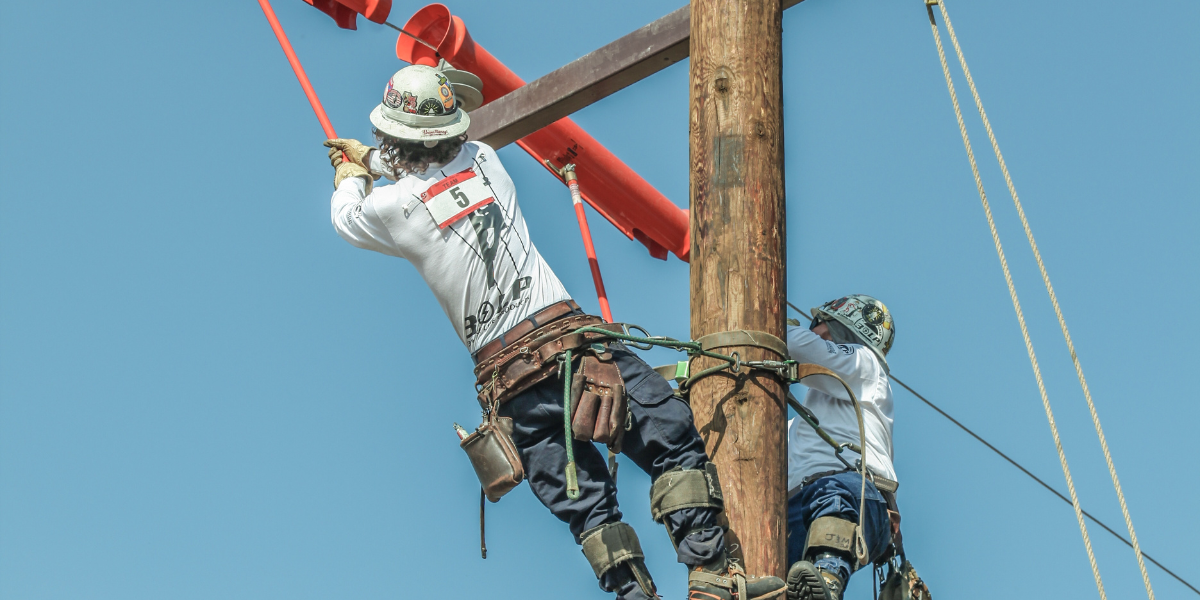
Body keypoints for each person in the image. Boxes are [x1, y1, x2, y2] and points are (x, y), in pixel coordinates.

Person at [323, 64, 785, 600]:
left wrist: (353, 170)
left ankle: (635, 595)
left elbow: (347, 215)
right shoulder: (484, 161)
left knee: (587, 506)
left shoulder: (389, 209)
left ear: (394, 134)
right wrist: (373, 159)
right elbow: (429, 163)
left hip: (511, 387)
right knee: (670, 435)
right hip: (570, 350)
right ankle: (712, 577)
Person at [783, 295, 900, 600]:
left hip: (853, 495)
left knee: (831, 492)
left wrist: (770, 326)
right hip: (800, 509)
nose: (812, 330)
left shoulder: (865, 363)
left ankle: (828, 577)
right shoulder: (801, 425)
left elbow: (796, 345)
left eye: (817, 324)